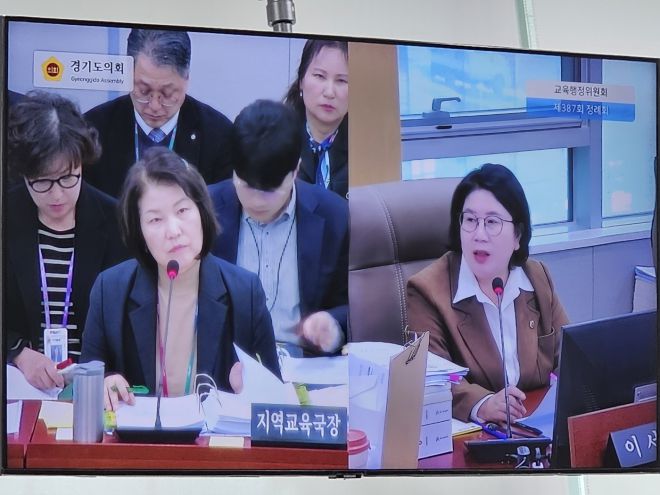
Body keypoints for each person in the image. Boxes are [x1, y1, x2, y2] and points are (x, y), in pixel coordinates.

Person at [81, 147, 280, 411]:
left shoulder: (245, 292)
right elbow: (86, 380)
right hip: (137, 436)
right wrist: (104, 383)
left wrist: (254, 388)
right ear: (139, 232)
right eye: (155, 219)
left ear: (202, 211)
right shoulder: (110, 290)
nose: (173, 230)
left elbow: (275, 399)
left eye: (183, 210)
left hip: (215, 437)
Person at [406, 163, 569, 423]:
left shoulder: (537, 278)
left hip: (536, 423)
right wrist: (481, 404)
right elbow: (429, 378)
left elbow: (570, 358)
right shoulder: (427, 291)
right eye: (470, 220)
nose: (479, 235)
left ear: (517, 236)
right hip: (475, 434)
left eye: (492, 222)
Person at [6, 91, 128, 390]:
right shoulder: (6, 216)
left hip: (95, 384)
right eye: (42, 181)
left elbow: (128, 320)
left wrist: (109, 374)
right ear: (24, 174)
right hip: (21, 384)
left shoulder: (115, 221)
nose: (57, 194)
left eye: (68, 178)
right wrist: (18, 353)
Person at [209, 99, 349, 355]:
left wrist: (332, 324)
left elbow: (356, 306)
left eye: (270, 190)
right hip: (227, 362)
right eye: (246, 186)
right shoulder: (204, 210)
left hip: (305, 363)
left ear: (295, 170)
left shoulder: (335, 217)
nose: (257, 201)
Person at [84, 29, 236, 197]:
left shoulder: (219, 136)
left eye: (167, 93)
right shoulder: (93, 131)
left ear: (186, 79)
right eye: (143, 90)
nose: (155, 106)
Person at [284, 39, 348, 200]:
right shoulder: (277, 138)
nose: (329, 92)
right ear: (301, 80)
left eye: (342, 80)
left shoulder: (366, 148)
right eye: (320, 76)